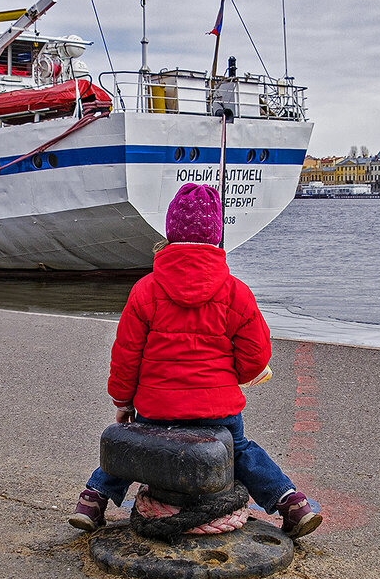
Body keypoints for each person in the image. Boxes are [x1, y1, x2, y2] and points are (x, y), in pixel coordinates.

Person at [69, 183, 322, 539]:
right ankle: (291, 503)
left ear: (170, 233)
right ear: (217, 236)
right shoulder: (236, 291)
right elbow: (254, 357)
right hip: (218, 410)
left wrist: (123, 402)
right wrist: (233, 374)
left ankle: (92, 501)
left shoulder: (145, 290)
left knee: (132, 447)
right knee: (241, 451)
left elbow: (126, 355)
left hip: (157, 409)